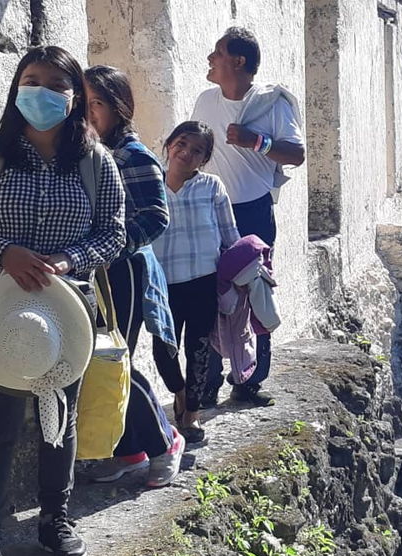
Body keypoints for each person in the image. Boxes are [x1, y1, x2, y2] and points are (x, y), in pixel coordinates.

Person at [0, 46, 126, 556]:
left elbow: (114, 233)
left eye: (55, 84)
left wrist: (69, 260)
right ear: (15, 87)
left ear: (74, 97)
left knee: (59, 420)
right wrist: (4, 252)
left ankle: (55, 520)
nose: (41, 92)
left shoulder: (95, 161)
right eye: (31, 80)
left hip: (68, 315)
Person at [83, 65, 185, 487]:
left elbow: (156, 216)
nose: (88, 112)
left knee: (113, 360)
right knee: (93, 361)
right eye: (83, 102)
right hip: (91, 269)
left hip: (122, 272)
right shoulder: (89, 150)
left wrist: (113, 247)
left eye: (97, 103)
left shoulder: (132, 155)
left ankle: (165, 442)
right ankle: (128, 450)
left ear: (119, 107)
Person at [191, 26, 305, 406]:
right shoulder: (205, 101)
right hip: (209, 210)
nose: (210, 58)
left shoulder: (272, 103)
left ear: (239, 61)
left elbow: (296, 154)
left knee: (255, 293)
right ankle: (206, 384)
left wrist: (256, 141)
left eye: (218, 52)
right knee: (207, 294)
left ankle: (250, 382)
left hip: (253, 211)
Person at [152, 121, 240, 443]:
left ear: (204, 159)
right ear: (169, 145)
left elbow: (230, 236)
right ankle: (179, 392)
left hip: (203, 281)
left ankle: (191, 411)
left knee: (199, 349)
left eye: (197, 150)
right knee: (164, 349)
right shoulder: (151, 186)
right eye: (181, 144)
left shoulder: (211, 187)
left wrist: (243, 274)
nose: (186, 153)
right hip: (161, 284)